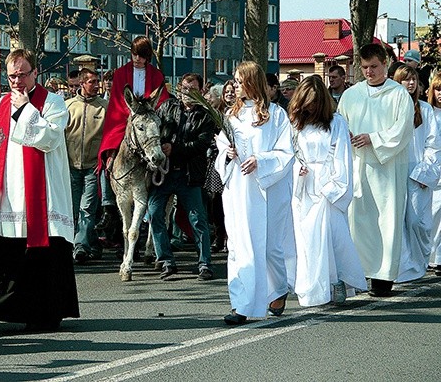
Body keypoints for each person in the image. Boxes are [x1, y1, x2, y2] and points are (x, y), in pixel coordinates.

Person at [0, 49, 79, 335]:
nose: (17, 81)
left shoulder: (54, 103)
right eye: (12, 76)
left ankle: (43, 315)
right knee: (1, 255)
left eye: (22, 74)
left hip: (44, 196)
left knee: (42, 259)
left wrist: (24, 110)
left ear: (35, 73)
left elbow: (49, 138)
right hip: (8, 194)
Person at [215, 61, 295, 325]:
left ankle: (279, 288)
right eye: (234, 81)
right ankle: (242, 304)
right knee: (240, 247)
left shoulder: (275, 115)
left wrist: (260, 160)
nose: (235, 85)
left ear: (251, 82)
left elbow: (285, 153)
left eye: (239, 81)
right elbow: (221, 151)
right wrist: (228, 155)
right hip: (238, 189)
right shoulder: (231, 116)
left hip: (267, 190)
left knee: (270, 247)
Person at [337, 43, 414, 297]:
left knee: (387, 219)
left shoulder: (398, 94)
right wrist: (344, 134)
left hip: (388, 168)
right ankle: (361, 273)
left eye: (374, 67)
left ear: (386, 64)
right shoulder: (352, 95)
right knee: (360, 220)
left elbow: (402, 130)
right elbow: (339, 123)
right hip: (359, 165)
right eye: (365, 67)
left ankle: (383, 277)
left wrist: (374, 139)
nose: (369, 72)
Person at [287, 76, 367, 307]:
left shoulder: (336, 123)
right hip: (303, 187)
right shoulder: (295, 124)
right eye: (305, 102)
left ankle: (336, 280)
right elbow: (290, 152)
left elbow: (342, 156)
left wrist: (334, 188)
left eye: (313, 102)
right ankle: (314, 286)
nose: (309, 107)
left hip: (327, 186)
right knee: (306, 238)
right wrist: (296, 168)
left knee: (331, 237)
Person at [96, 36, 169, 230]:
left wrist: (147, 113)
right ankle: (108, 206)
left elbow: (161, 101)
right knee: (108, 157)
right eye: (134, 54)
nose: (136, 58)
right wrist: (131, 114)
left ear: (147, 56)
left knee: (158, 151)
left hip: (147, 118)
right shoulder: (120, 73)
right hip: (123, 120)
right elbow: (117, 102)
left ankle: (155, 198)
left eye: (141, 55)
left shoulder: (156, 74)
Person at [147, 73, 215, 280]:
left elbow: (201, 145)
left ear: (201, 91)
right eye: (185, 88)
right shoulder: (167, 107)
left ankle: (204, 263)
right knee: (154, 213)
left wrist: (174, 149)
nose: (188, 93)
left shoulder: (206, 115)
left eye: (193, 89)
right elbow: (154, 129)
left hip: (188, 174)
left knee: (197, 219)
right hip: (164, 173)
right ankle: (166, 260)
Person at [392, 66, 441, 283]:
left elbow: (433, 143)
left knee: (417, 221)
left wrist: (426, 171)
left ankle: (420, 261)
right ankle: (402, 266)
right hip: (394, 168)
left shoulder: (425, 109)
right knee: (396, 221)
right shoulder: (391, 108)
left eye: (413, 79)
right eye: (406, 80)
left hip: (417, 169)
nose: (410, 84)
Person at [65, 68, 107, 264]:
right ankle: (93, 243)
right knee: (75, 210)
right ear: (82, 83)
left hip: (93, 167)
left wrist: (105, 159)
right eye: (92, 81)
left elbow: (110, 138)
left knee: (87, 208)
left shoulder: (103, 107)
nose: (97, 85)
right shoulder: (68, 107)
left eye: (97, 81)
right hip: (72, 166)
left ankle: (80, 246)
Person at [427, 72, 441, 276]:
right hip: (433, 169)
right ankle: (430, 255)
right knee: (433, 213)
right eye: (438, 89)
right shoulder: (428, 112)